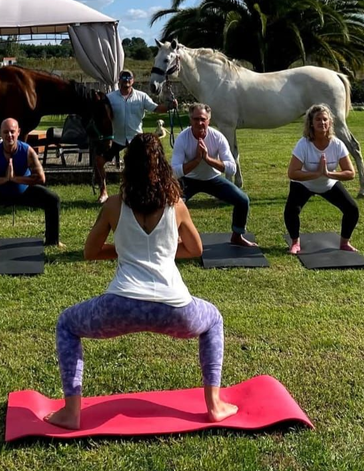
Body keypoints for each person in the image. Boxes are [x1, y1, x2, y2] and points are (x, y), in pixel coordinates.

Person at [44, 133, 238, 430]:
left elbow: (90, 252)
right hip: (175, 309)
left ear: (128, 166)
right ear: (162, 166)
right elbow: (195, 249)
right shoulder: (177, 205)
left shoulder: (113, 205)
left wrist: (127, 251)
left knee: (67, 324)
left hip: (120, 306)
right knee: (213, 320)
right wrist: (161, 251)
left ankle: (71, 412)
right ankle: (214, 405)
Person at [0, 118, 62, 249]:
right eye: (6, 132)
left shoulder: (27, 151)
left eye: (12, 131)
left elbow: (40, 178)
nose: (9, 135)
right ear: (0, 133)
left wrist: (15, 179)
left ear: (18, 132)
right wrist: (5, 179)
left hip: (24, 192)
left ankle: (53, 241)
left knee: (52, 199)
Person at [170, 103, 256, 247]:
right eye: (196, 119)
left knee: (242, 200)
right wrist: (197, 160)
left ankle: (237, 236)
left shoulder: (217, 137)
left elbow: (232, 168)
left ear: (209, 120)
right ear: (190, 120)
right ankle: (175, 237)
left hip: (213, 179)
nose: (199, 123)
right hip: (188, 180)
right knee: (170, 203)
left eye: (203, 119)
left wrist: (208, 159)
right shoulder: (182, 138)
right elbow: (174, 171)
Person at [285, 104, 360, 254]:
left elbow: (350, 173)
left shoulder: (337, 144)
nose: (322, 122)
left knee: (352, 209)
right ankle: (295, 243)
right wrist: (317, 174)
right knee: (291, 211)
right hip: (304, 184)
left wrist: (328, 174)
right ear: (311, 123)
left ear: (330, 122)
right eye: (318, 119)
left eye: (325, 119)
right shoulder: (303, 144)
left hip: (328, 184)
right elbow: (292, 173)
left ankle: (344, 243)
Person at [95, 69, 177, 204]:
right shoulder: (110, 97)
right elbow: (101, 114)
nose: (126, 80)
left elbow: (156, 108)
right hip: (116, 138)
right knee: (99, 162)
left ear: (133, 80)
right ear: (119, 80)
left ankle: (147, 191)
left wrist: (170, 106)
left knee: (147, 164)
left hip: (136, 139)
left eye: (129, 78)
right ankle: (103, 192)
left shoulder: (142, 96)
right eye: (123, 77)